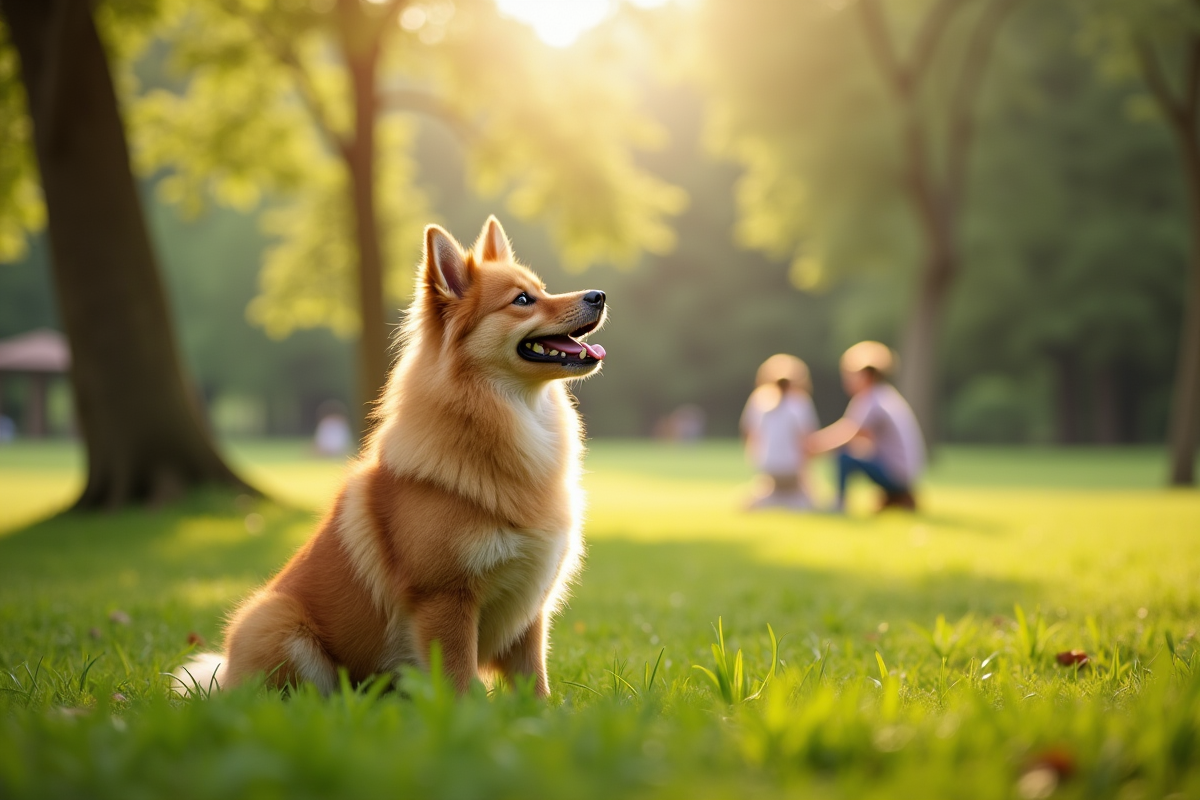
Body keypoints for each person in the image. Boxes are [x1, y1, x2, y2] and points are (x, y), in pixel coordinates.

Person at [807, 341, 925, 512]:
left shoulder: (870, 399)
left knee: (844, 456)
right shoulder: (884, 395)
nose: (846, 380)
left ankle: (840, 503)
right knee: (856, 451)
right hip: (905, 473)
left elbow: (848, 434)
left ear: (865, 375)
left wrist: (814, 446)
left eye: (850, 375)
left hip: (896, 475)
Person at [740, 354, 820, 510]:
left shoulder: (759, 399)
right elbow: (807, 441)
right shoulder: (800, 401)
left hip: (767, 467)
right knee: (809, 499)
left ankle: (765, 500)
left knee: (772, 491)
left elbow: (749, 435)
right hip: (792, 469)